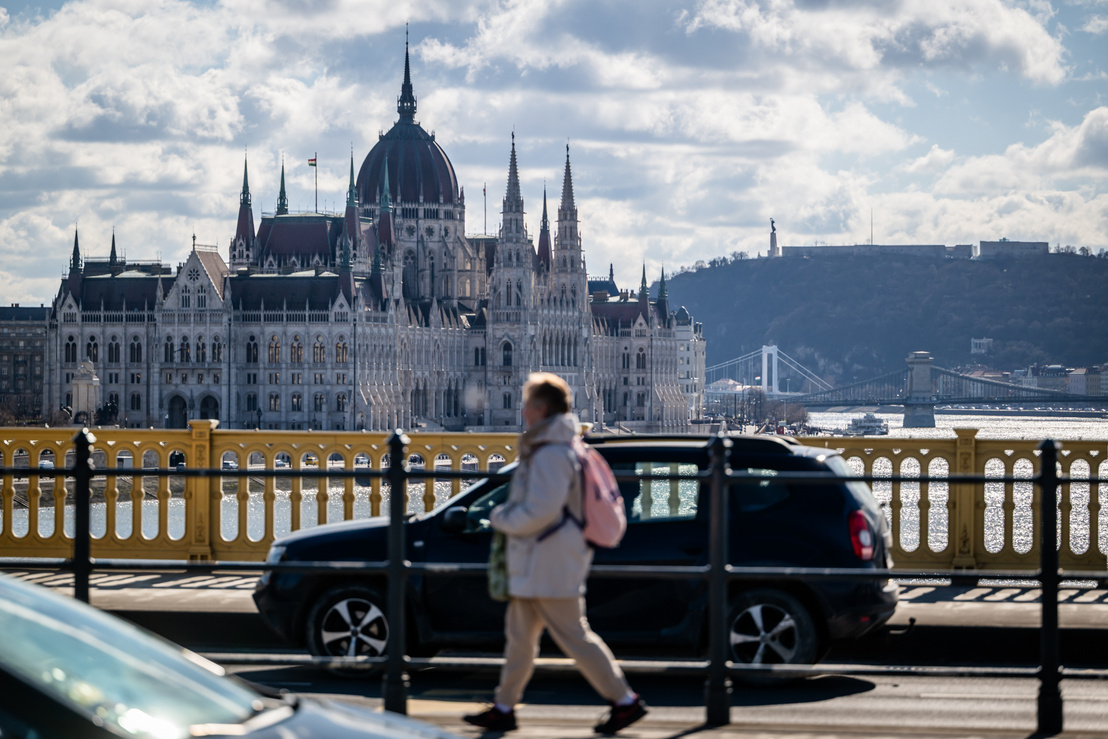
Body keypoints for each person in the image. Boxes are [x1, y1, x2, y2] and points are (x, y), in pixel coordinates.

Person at [464, 373, 647, 735]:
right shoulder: (556, 446)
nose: (522, 410)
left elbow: (541, 511)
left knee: (574, 637)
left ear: (541, 409)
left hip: (550, 561)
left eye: (527, 403)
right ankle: (504, 706)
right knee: (519, 638)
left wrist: (500, 517)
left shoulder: (552, 452)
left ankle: (625, 701)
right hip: (539, 560)